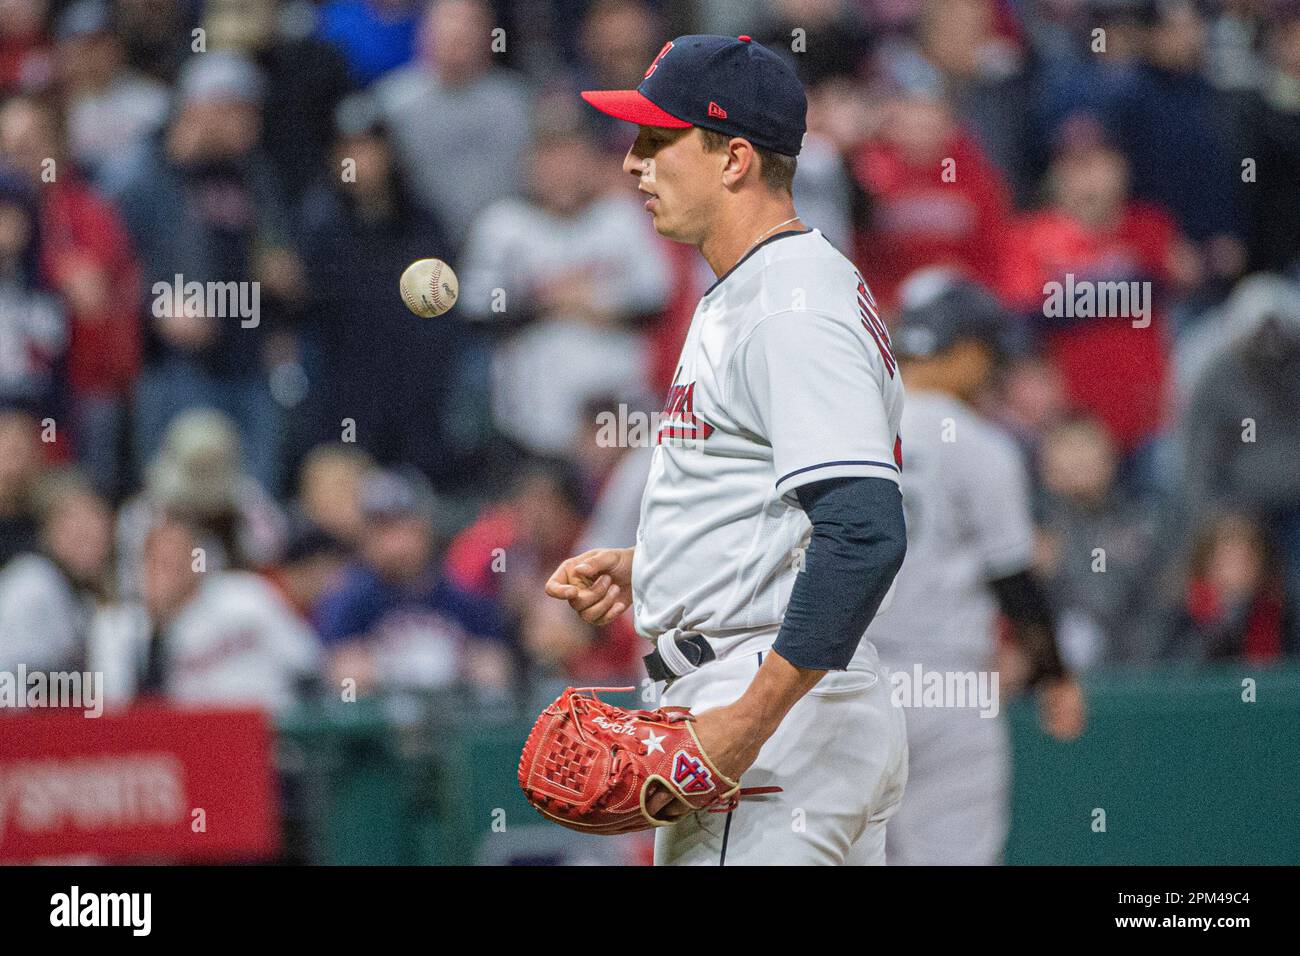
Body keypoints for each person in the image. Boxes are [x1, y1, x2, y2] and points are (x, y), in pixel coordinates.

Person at [549, 35, 909, 866]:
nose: (633, 165)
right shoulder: (758, 288)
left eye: (656, 140)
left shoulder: (788, 305)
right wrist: (657, 561)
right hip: (796, 713)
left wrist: (746, 723)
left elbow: (865, 533)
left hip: (766, 712)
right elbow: (787, 504)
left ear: (735, 158)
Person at [863, 272, 1086, 865]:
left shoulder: (841, 424)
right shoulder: (980, 443)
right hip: (948, 683)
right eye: (986, 353)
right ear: (960, 351)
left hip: (840, 681)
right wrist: (1054, 676)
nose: (992, 370)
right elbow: (1013, 579)